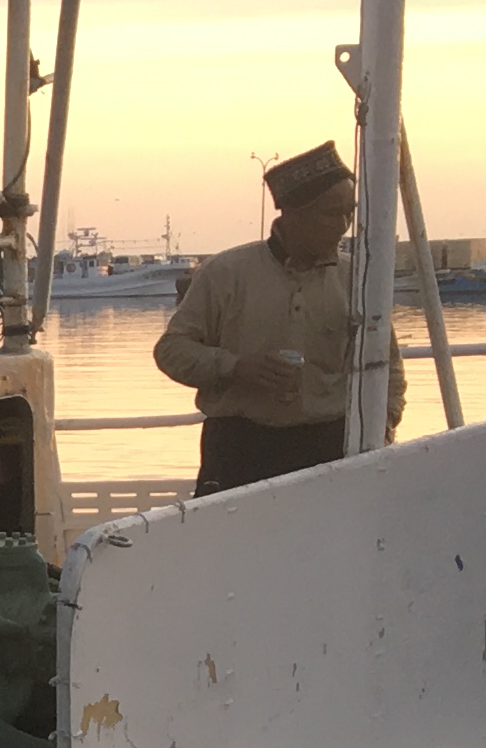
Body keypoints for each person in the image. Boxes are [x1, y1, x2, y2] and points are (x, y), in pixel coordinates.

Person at [155, 141, 406, 494]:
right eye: (330, 214)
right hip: (240, 447)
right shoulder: (225, 274)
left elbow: (388, 365)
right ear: (292, 214)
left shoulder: (357, 279)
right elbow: (171, 351)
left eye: (348, 213)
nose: (343, 226)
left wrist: (383, 427)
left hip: (331, 446)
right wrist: (235, 366)